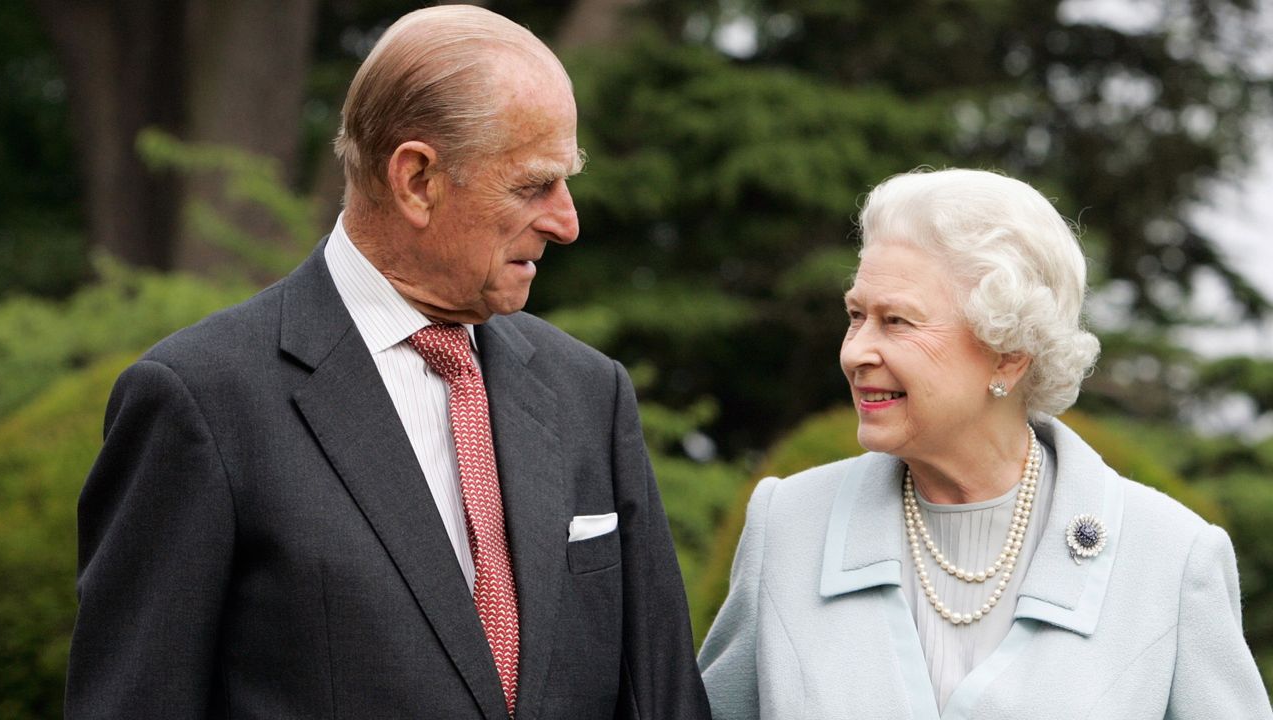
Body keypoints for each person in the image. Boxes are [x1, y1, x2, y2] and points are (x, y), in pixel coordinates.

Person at [65, 6, 710, 718]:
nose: (567, 221)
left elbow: (664, 699)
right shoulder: (202, 402)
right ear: (417, 180)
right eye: (533, 186)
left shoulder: (591, 393)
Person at [698, 168, 1272, 718]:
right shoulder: (788, 526)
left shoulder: (1170, 558)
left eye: (897, 321)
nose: (855, 352)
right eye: (856, 315)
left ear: (1009, 353)